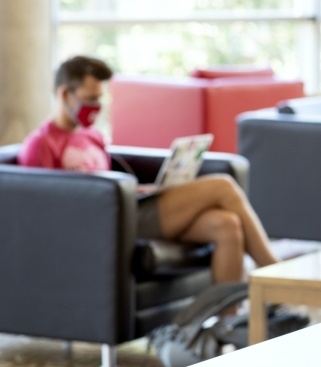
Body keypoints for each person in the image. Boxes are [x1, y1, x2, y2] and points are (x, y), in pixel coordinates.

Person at [18, 55, 279, 284]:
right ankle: (276, 276)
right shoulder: (40, 144)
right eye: (90, 99)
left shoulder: (92, 137)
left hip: (130, 208)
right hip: (106, 223)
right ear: (65, 94)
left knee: (226, 225)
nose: (96, 107)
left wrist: (137, 190)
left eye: (99, 99)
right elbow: (40, 206)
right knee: (222, 186)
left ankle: (225, 324)